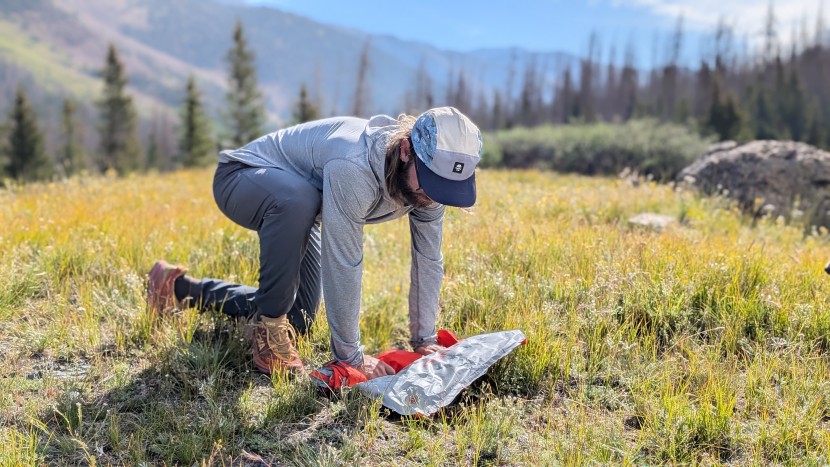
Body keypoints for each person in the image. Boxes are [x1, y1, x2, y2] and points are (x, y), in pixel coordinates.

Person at [146, 106, 482, 380]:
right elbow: (343, 262)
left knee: (301, 316)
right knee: (299, 200)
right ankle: (268, 330)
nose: (434, 196)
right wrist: (350, 358)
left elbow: (428, 258)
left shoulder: (430, 184)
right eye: (431, 183)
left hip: (300, 206)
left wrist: (424, 340)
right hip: (243, 178)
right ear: (407, 150)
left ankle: (175, 288)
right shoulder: (355, 165)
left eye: (445, 187)